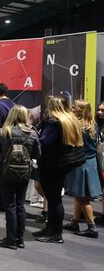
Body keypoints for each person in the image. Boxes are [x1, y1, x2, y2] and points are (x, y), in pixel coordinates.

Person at [0, 105, 41, 249]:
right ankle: (19, 239)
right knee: (20, 205)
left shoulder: (3, 132)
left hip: (5, 172)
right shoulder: (33, 133)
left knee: (10, 206)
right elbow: (37, 155)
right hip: (24, 173)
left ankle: (10, 240)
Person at [34, 96, 83, 244]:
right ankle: (51, 229)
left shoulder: (54, 122)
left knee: (54, 199)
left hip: (52, 164)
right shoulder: (70, 120)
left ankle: (55, 233)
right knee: (54, 198)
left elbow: (44, 142)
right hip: (62, 164)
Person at [62, 100, 101, 238]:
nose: (72, 108)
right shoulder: (93, 125)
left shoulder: (77, 126)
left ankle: (92, 228)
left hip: (80, 163)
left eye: (75, 107)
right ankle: (75, 222)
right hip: (90, 163)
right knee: (80, 196)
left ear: (81, 110)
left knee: (83, 198)